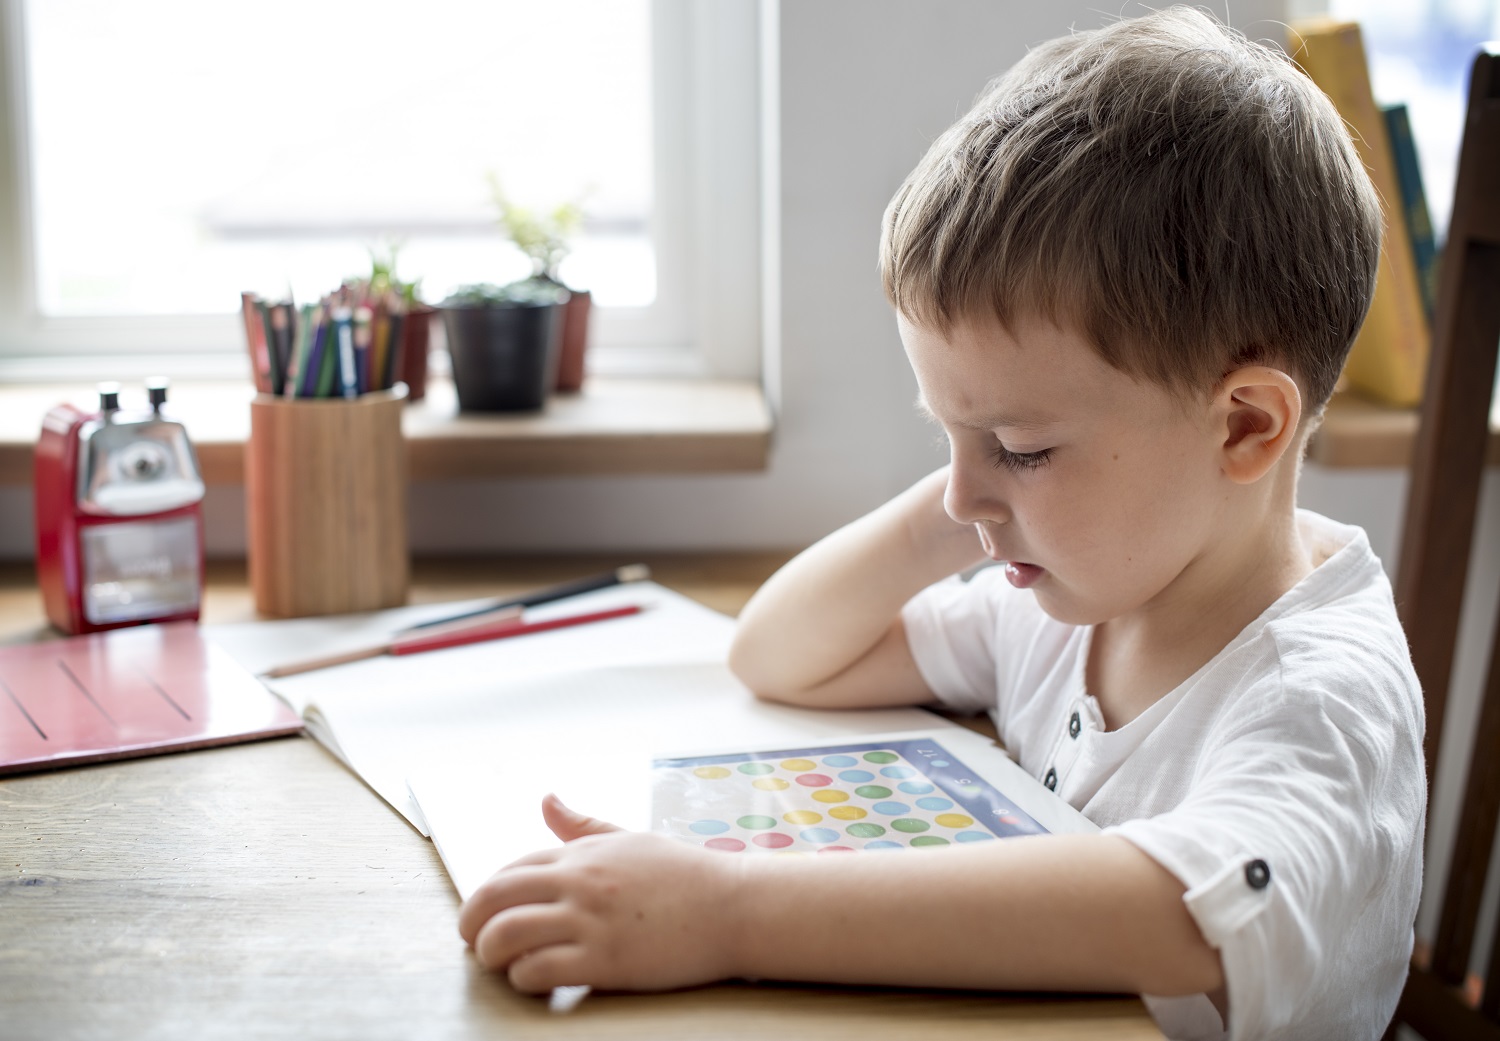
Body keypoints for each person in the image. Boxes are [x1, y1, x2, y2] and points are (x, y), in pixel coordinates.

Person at [455, 8, 1425, 1039]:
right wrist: (976, 497)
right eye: (946, 435)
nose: (963, 494)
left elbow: (1176, 912)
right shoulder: (1087, 594)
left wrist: (725, 911)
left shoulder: (1322, 700)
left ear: (1243, 428)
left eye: (1021, 446)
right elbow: (782, 657)